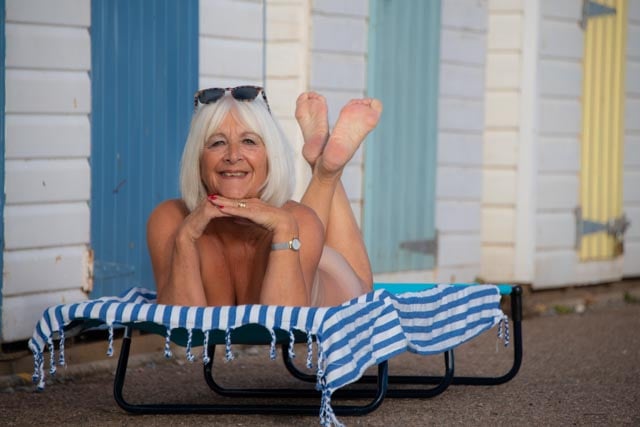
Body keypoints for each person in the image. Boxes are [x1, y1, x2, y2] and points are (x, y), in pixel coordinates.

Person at [146, 86, 382, 307]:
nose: (233, 155)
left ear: (271, 157)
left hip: (327, 282)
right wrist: (185, 237)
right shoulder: (171, 219)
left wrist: (285, 227)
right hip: (303, 243)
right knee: (303, 225)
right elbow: (183, 336)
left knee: (363, 290)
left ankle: (328, 172)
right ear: (197, 159)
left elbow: (284, 326)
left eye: (249, 141)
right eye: (217, 143)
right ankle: (326, 170)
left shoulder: (296, 221)